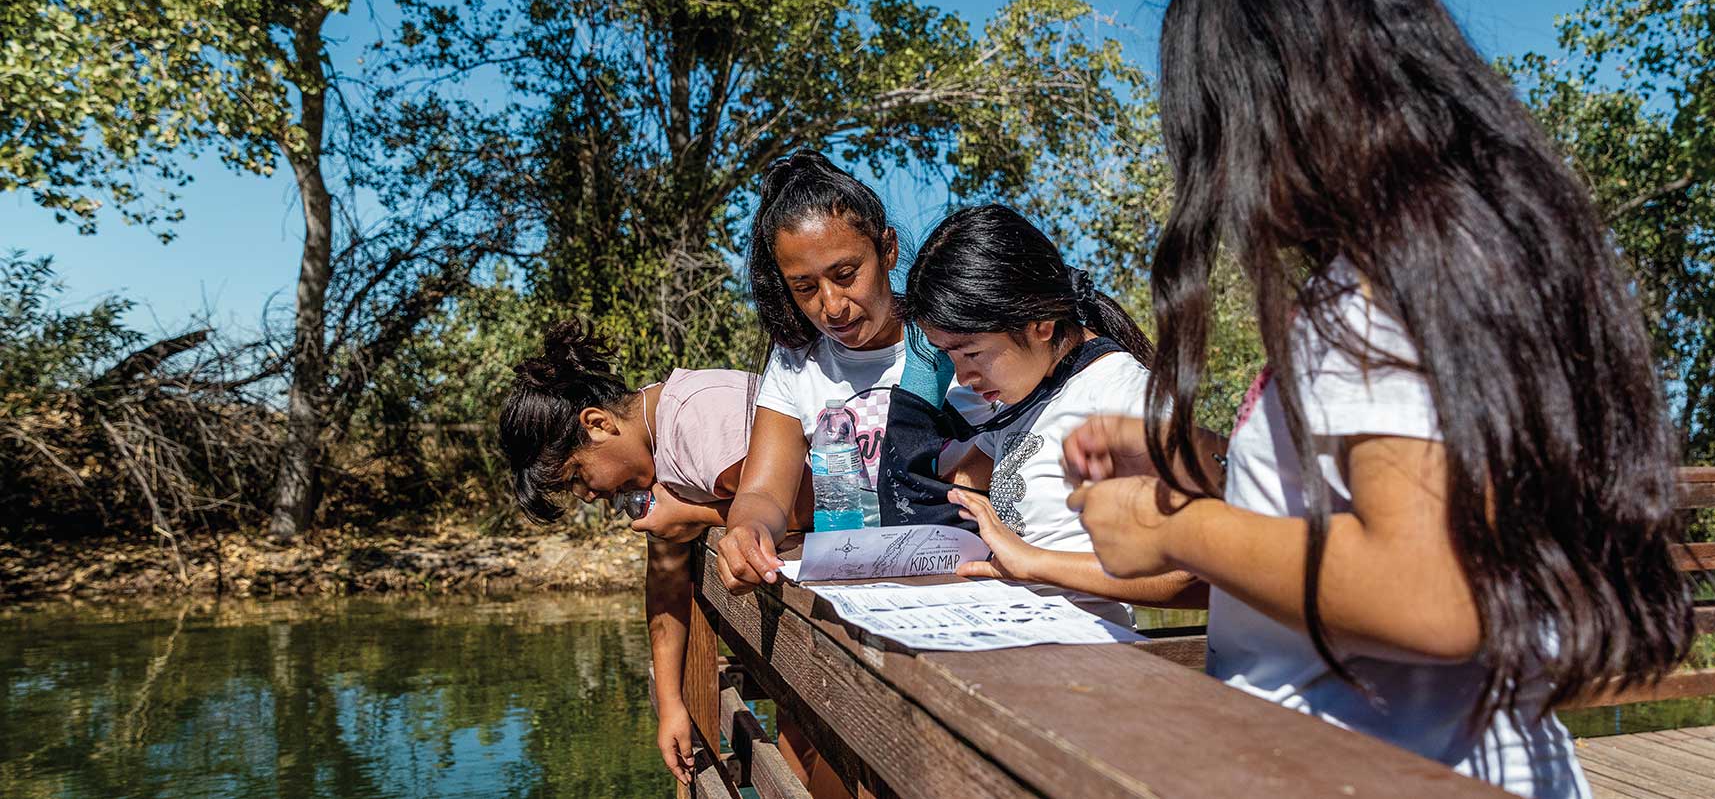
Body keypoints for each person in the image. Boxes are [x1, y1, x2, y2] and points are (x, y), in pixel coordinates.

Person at [1061, 0, 1692, 798]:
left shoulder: (1374, 292)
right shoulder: (1470, 259)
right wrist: (1196, 461)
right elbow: (1377, 495)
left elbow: (1428, 589)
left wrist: (1174, 529)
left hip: (1369, 763)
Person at [499, 320, 796, 785]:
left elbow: (806, 504)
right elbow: (665, 578)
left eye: (577, 476)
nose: (588, 496)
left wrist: (696, 516)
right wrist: (672, 704)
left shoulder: (694, 420)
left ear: (597, 424)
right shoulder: (654, 459)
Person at [899, 204, 1202, 620]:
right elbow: (953, 476)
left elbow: (1191, 574)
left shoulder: (1124, 396)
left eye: (972, 352)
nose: (963, 376)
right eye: (949, 355)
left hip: (1082, 661)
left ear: (1040, 322)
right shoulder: (1025, 395)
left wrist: (1034, 563)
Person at [715, 150, 987, 593]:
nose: (832, 305)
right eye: (805, 287)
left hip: (968, 581)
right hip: (862, 592)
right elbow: (763, 494)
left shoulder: (953, 342)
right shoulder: (795, 362)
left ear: (888, 250)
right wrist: (746, 531)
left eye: (846, 274)